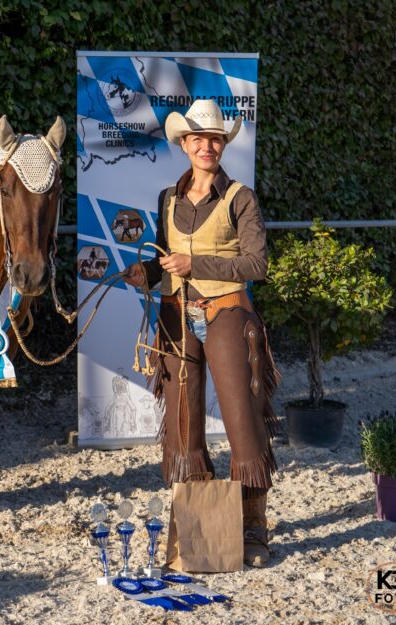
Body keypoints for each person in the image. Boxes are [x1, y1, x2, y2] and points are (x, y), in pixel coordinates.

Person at [123, 99, 280, 567]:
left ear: (222, 144)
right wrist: (147, 272)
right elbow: (167, 259)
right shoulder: (167, 198)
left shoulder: (240, 198)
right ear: (185, 144)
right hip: (175, 317)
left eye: (214, 139)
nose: (206, 146)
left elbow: (257, 265)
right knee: (182, 426)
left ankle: (253, 524)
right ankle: (201, 523)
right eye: (198, 139)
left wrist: (198, 264)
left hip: (227, 312)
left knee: (242, 421)